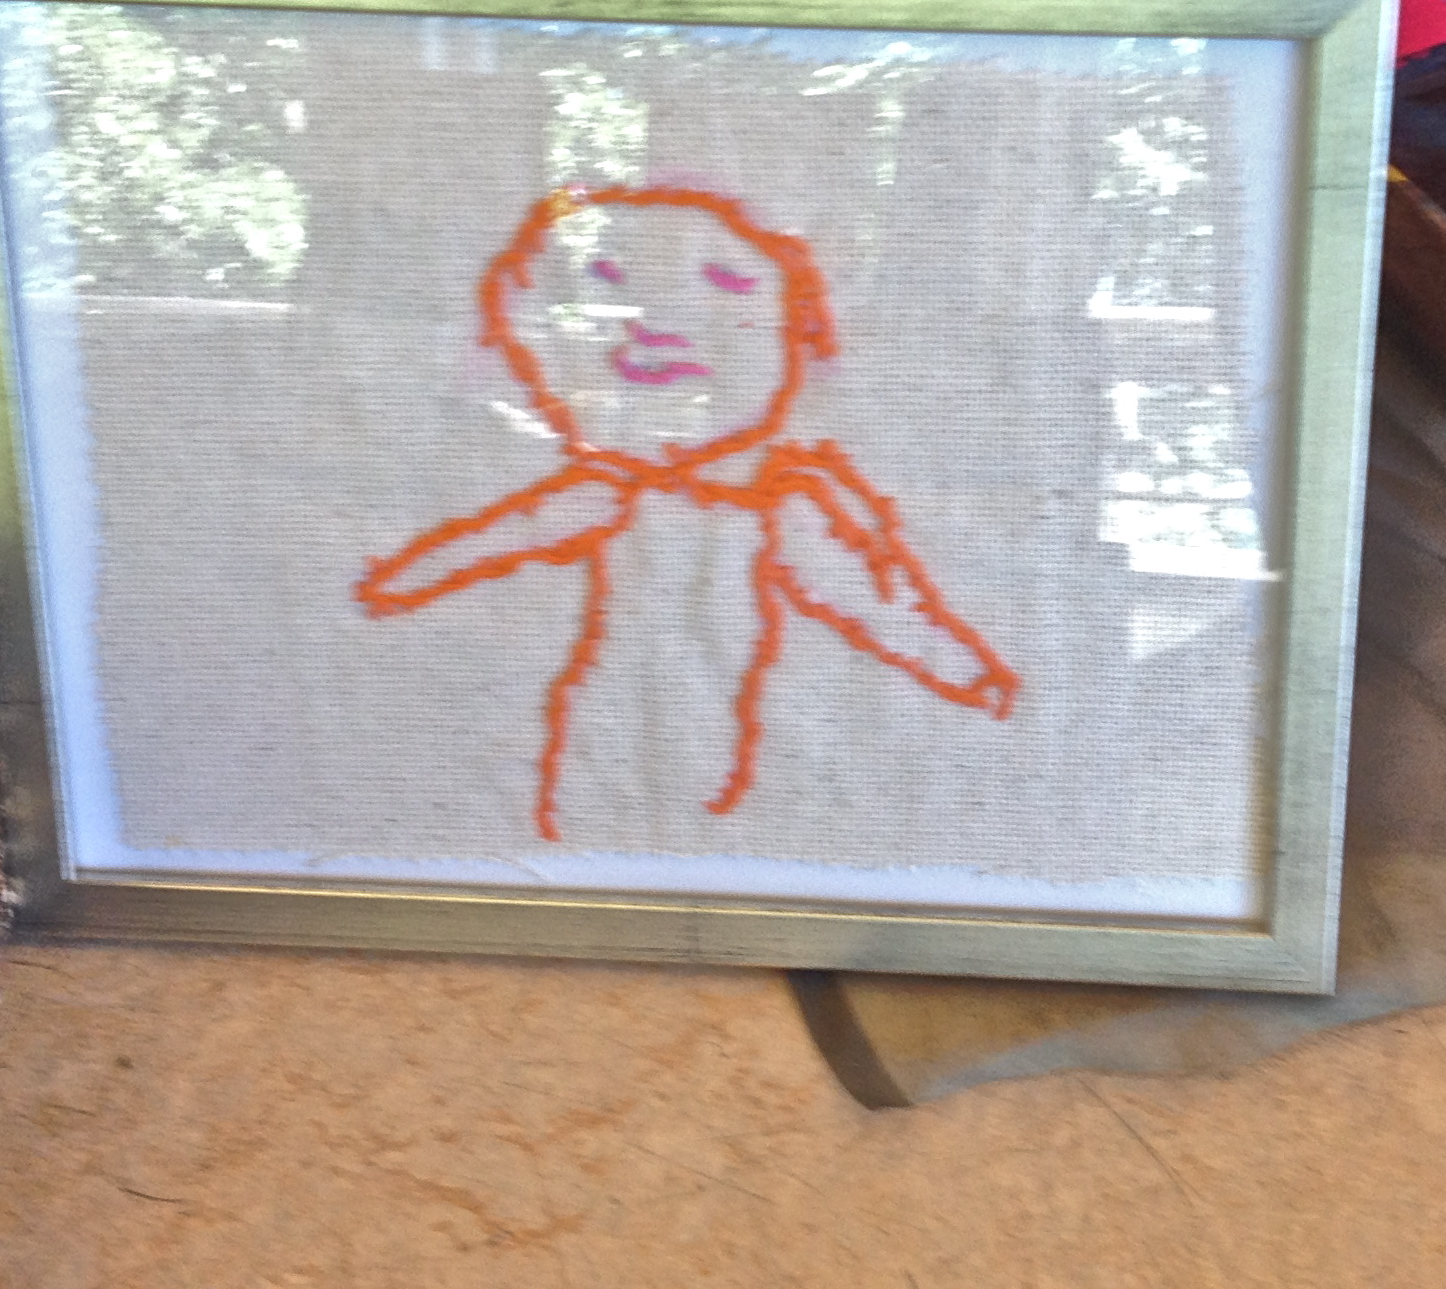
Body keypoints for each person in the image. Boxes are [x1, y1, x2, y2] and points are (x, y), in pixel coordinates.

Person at [358, 183, 1017, 841]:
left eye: (726, 280)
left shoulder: (781, 491)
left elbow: (877, 595)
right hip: (607, 728)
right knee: (601, 783)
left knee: (700, 787)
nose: (655, 317)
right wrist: (403, 580)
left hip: (730, 749)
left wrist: (962, 669)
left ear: (796, 325)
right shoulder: (612, 486)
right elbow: (506, 534)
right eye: (607, 277)